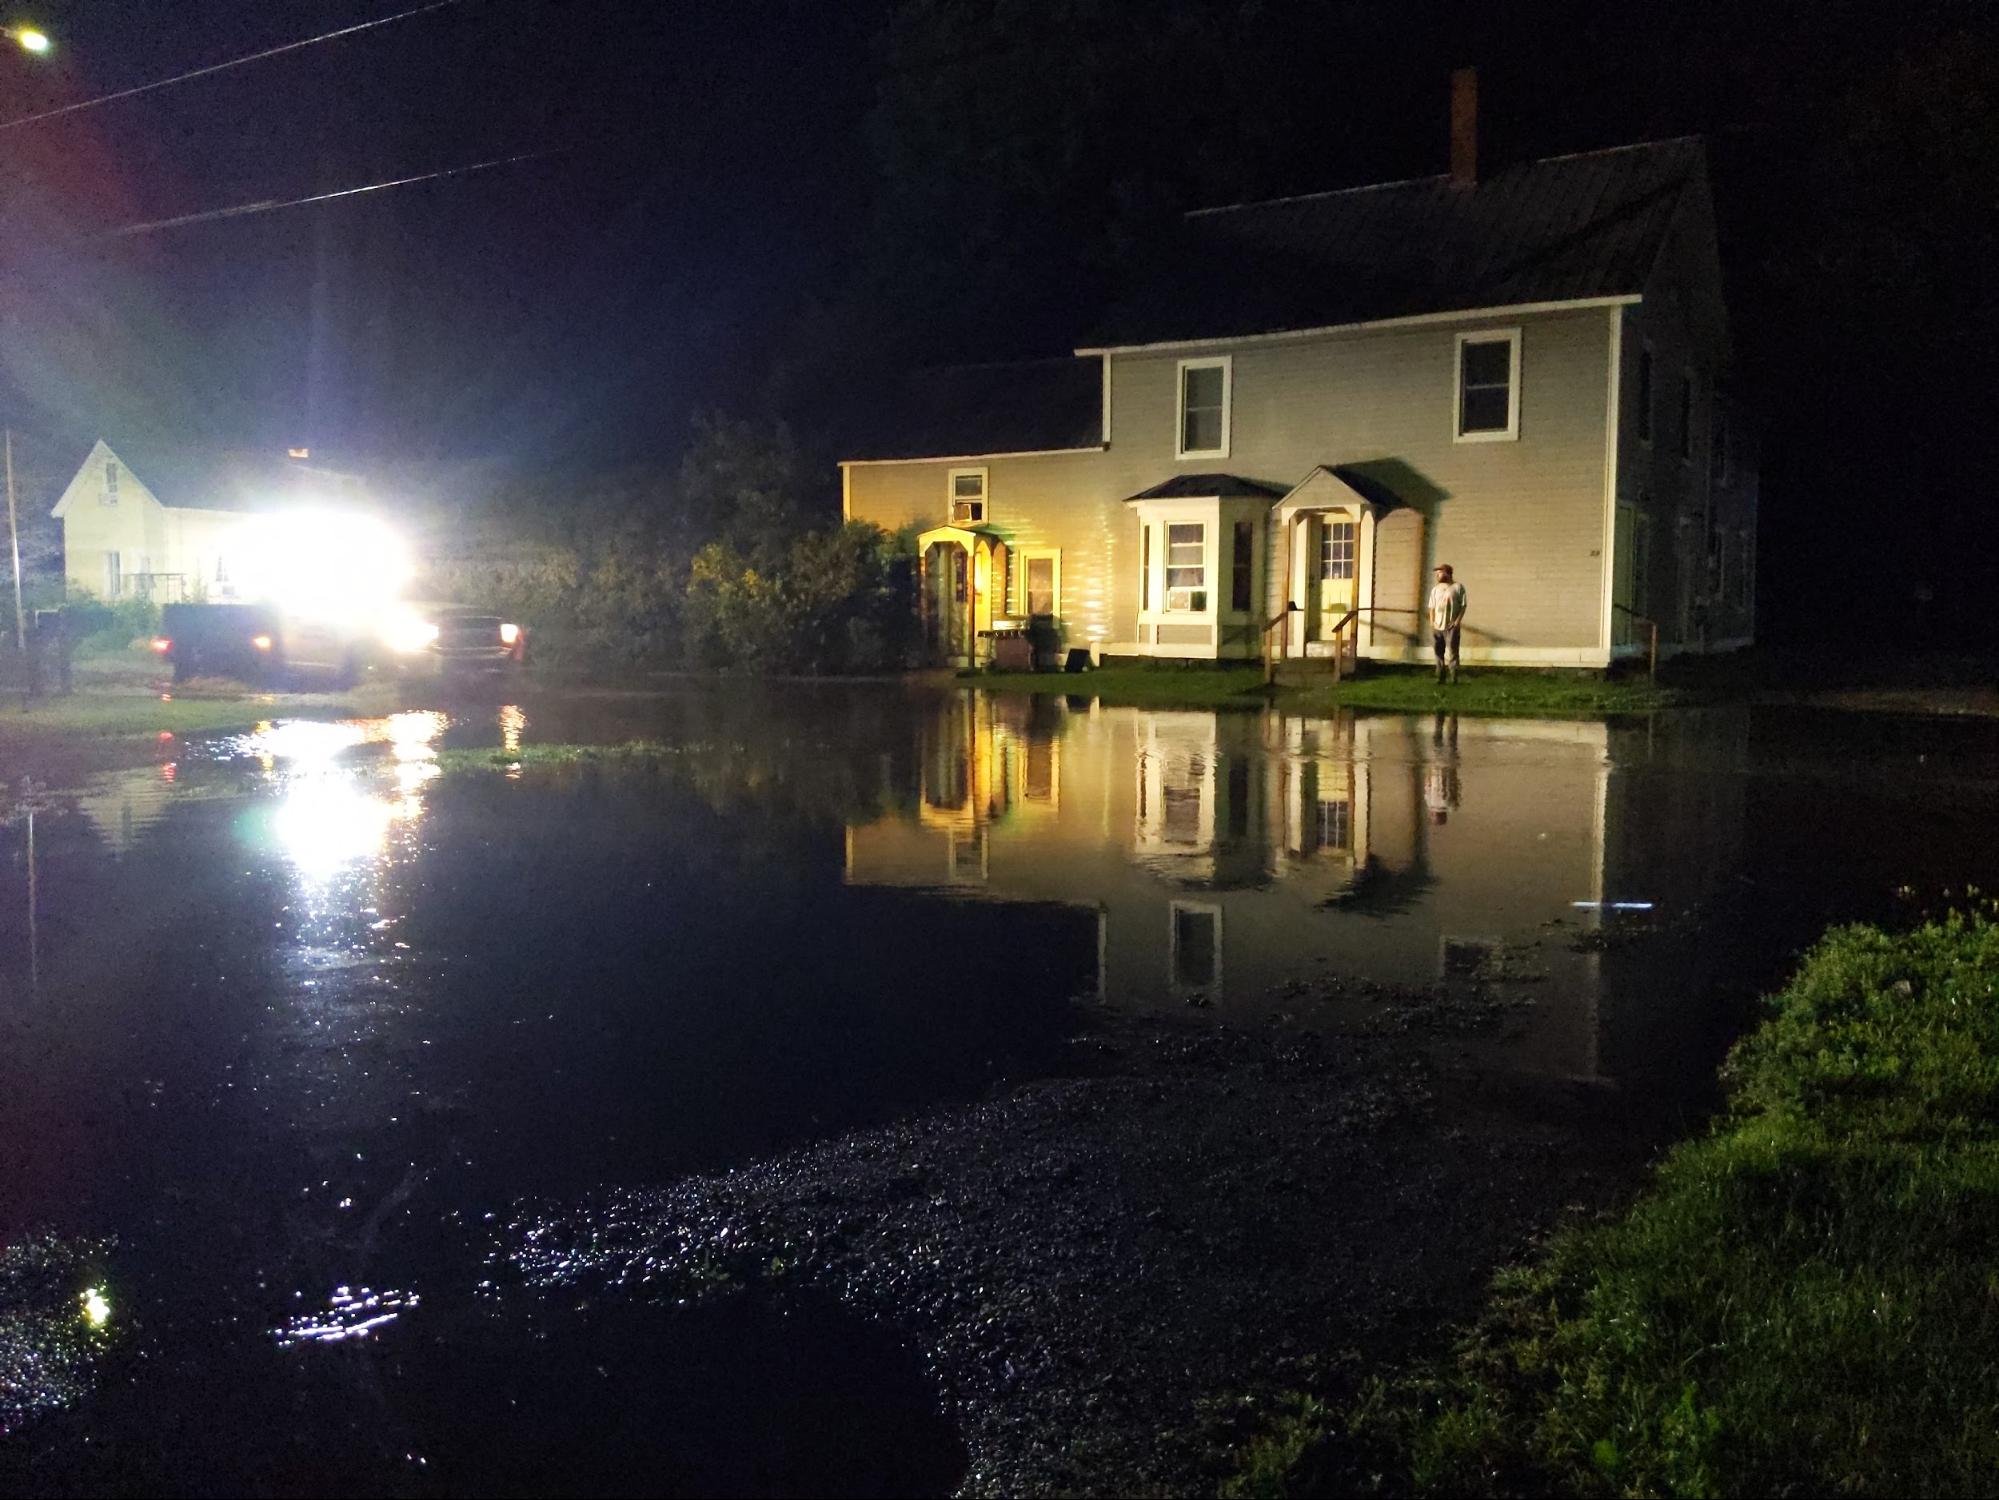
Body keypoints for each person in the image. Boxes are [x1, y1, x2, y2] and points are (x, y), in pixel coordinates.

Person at [1428, 563, 1467, 683]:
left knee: (1452, 651)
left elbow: (1463, 605)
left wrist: (1457, 621)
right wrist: (1432, 621)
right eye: (1437, 573)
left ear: (1447, 573)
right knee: (1438, 651)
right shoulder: (1435, 589)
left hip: (1451, 626)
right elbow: (1431, 607)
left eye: (1440, 573)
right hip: (1437, 626)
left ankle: (1454, 676)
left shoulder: (1458, 587)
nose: (1437, 575)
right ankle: (1440, 676)